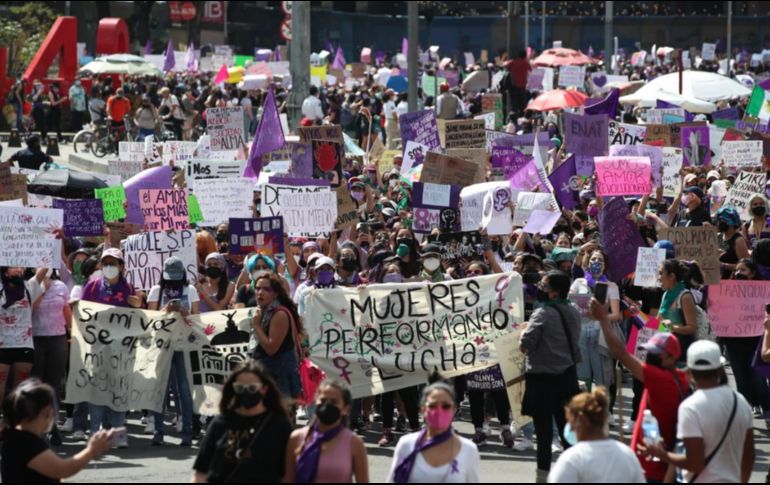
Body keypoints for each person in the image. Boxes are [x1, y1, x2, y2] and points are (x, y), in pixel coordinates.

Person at [590, 298, 689, 483]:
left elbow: (620, 353)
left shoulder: (659, 378)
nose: (649, 356)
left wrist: (604, 320)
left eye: (655, 352)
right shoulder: (680, 377)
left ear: (670, 357)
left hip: (652, 470)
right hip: (658, 465)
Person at [639, 340, 754, 483]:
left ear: (689, 371)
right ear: (720, 369)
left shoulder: (690, 408)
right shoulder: (740, 401)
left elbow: (695, 464)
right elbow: (749, 454)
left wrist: (662, 454)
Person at [519, 270, 581, 482]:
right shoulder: (573, 310)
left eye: (544, 286)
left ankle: (542, 477)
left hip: (543, 381)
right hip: (567, 378)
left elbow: (525, 345)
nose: (539, 289)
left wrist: (523, 331)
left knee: (543, 434)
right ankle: (574, 475)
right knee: (567, 432)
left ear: (554, 293)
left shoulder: (542, 314)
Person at [192, 360, 292, 483]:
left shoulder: (279, 425)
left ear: (264, 389)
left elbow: (289, 474)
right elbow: (201, 472)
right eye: (239, 388)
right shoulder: (220, 423)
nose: (245, 393)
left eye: (252, 388)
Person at [80, 248, 140, 447]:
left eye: (113, 263)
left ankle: (117, 434)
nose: (109, 267)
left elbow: (139, 321)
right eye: (105, 263)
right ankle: (95, 431)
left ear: (121, 266)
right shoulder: (92, 286)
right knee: (97, 388)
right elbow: (83, 314)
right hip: (97, 347)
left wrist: (137, 306)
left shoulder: (130, 289)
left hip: (122, 350)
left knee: (119, 391)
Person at [1, 379, 116, 482]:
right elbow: (62, 469)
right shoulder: (26, 442)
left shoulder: (17, 437)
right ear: (47, 412)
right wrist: (92, 450)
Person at [387, 378, 481, 483]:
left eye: (446, 406)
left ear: (454, 409)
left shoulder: (468, 449)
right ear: (422, 409)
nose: (439, 411)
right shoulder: (406, 444)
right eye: (432, 406)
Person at [146, 256, 198, 446]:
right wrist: (165, 310)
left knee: (184, 390)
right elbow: (151, 320)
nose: (173, 280)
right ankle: (158, 431)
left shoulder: (190, 290)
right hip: (162, 346)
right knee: (160, 388)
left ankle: (187, 431)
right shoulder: (156, 291)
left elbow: (197, 321)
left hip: (183, 345)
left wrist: (186, 314)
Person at [548, 387, 645, 483]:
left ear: (581, 420)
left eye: (570, 421)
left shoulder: (572, 460)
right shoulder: (627, 455)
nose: (570, 427)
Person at [284, 380, 369, 483]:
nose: (327, 405)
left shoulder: (354, 443)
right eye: (323, 400)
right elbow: (288, 479)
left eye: (334, 402)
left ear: (345, 409)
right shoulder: (297, 438)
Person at [569, 248, 622, 394]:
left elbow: (616, 315)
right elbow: (569, 305)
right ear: (587, 262)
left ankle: (604, 412)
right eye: (593, 259)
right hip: (581, 335)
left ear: (605, 265)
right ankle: (584, 410)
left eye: (600, 260)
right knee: (582, 376)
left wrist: (600, 316)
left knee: (602, 377)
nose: (596, 262)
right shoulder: (578, 283)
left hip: (600, 335)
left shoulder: (611, 286)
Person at [250, 272, 303, 400]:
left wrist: (256, 326)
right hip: (269, 375)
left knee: (282, 418)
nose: (260, 292)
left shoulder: (279, 314)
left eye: (266, 289)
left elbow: (271, 348)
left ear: (275, 293)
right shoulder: (263, 311)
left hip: (280, 378)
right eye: (257, 288)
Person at [0, 266, 47, 404]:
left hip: (24, 345)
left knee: (20, 388)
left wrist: (54, 244)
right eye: (14, 267)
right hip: (2, 344)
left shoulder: (29, 287)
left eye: (21, 266)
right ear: (5, 272)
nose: (19, 270)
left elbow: (44, 269)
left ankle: (15, 419)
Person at [657, 259, 698, 361]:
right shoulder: (666, 295)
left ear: (672, 276)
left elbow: (692, 328)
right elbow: (658, 322)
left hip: (682, 351)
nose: (658, 278)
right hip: (666, 349)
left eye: (661, 273)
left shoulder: (685, 297)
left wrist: (673, 328)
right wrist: (638, 314)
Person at [716, 206, 749, 279]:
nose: (719, 223)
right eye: (718, 220)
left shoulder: (738, 240)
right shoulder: (718, 237)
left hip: (731, 282)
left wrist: (722, 265)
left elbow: (746, 266)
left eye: (723, 220)